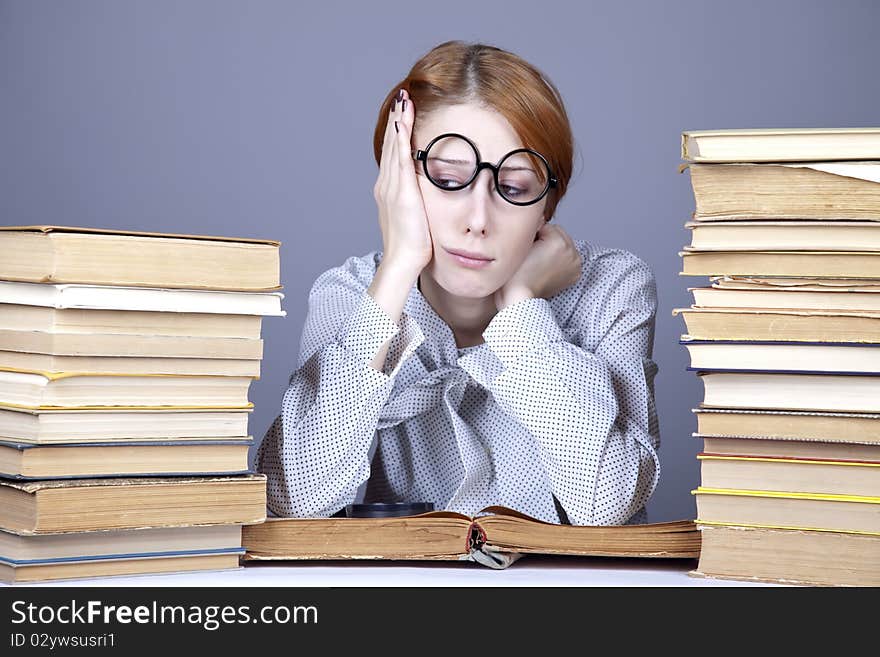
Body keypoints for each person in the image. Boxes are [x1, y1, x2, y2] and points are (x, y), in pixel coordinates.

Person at [256, 40, 660, 526]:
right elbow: (291, 500)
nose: (478, 219)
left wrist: (520, 308)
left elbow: (608, 505)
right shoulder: (353, 296)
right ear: (397, 179)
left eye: (513, 189)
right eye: (448, 178)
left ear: (547, 205)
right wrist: (399, 266)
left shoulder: (612, 289)